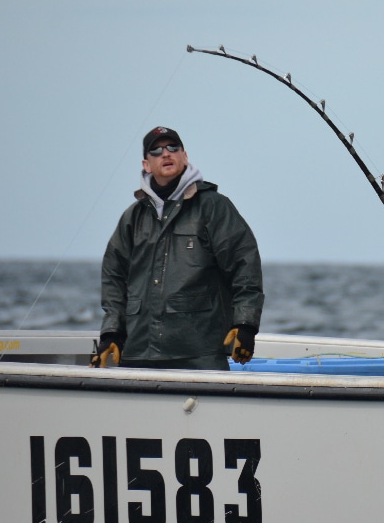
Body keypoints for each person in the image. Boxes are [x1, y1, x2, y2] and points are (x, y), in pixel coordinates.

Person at [92, 126, 264, 371]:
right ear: (146, 164)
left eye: (173, 147)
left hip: (200, 352)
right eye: (157, 150)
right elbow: (114, 277)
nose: (166, 153)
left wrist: (245, 325)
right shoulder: (133, 217)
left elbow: (244, 264)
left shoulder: (214, 207)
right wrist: (112, 332)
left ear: (184, 156)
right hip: (137, 352)